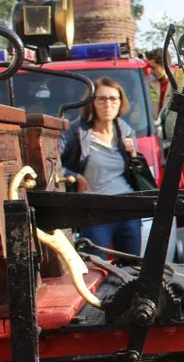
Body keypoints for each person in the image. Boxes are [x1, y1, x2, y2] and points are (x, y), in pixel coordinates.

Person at [60, 77, 142, 258]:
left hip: (128, 209)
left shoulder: (126, 131)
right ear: (91, 102)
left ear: (121, 102)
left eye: (113, 99)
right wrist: (75, 176)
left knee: (133, 271)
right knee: (94, 268)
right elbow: (51, 164)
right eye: (101, 99)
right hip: (95, 212)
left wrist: (134, 156)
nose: (108, 104)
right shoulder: (75, 131)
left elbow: (139, 173)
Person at [145, 48, 172, 115]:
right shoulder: (150, 84)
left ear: (164, 66)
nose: (151, 71)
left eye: (153, 68)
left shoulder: (178, 85)